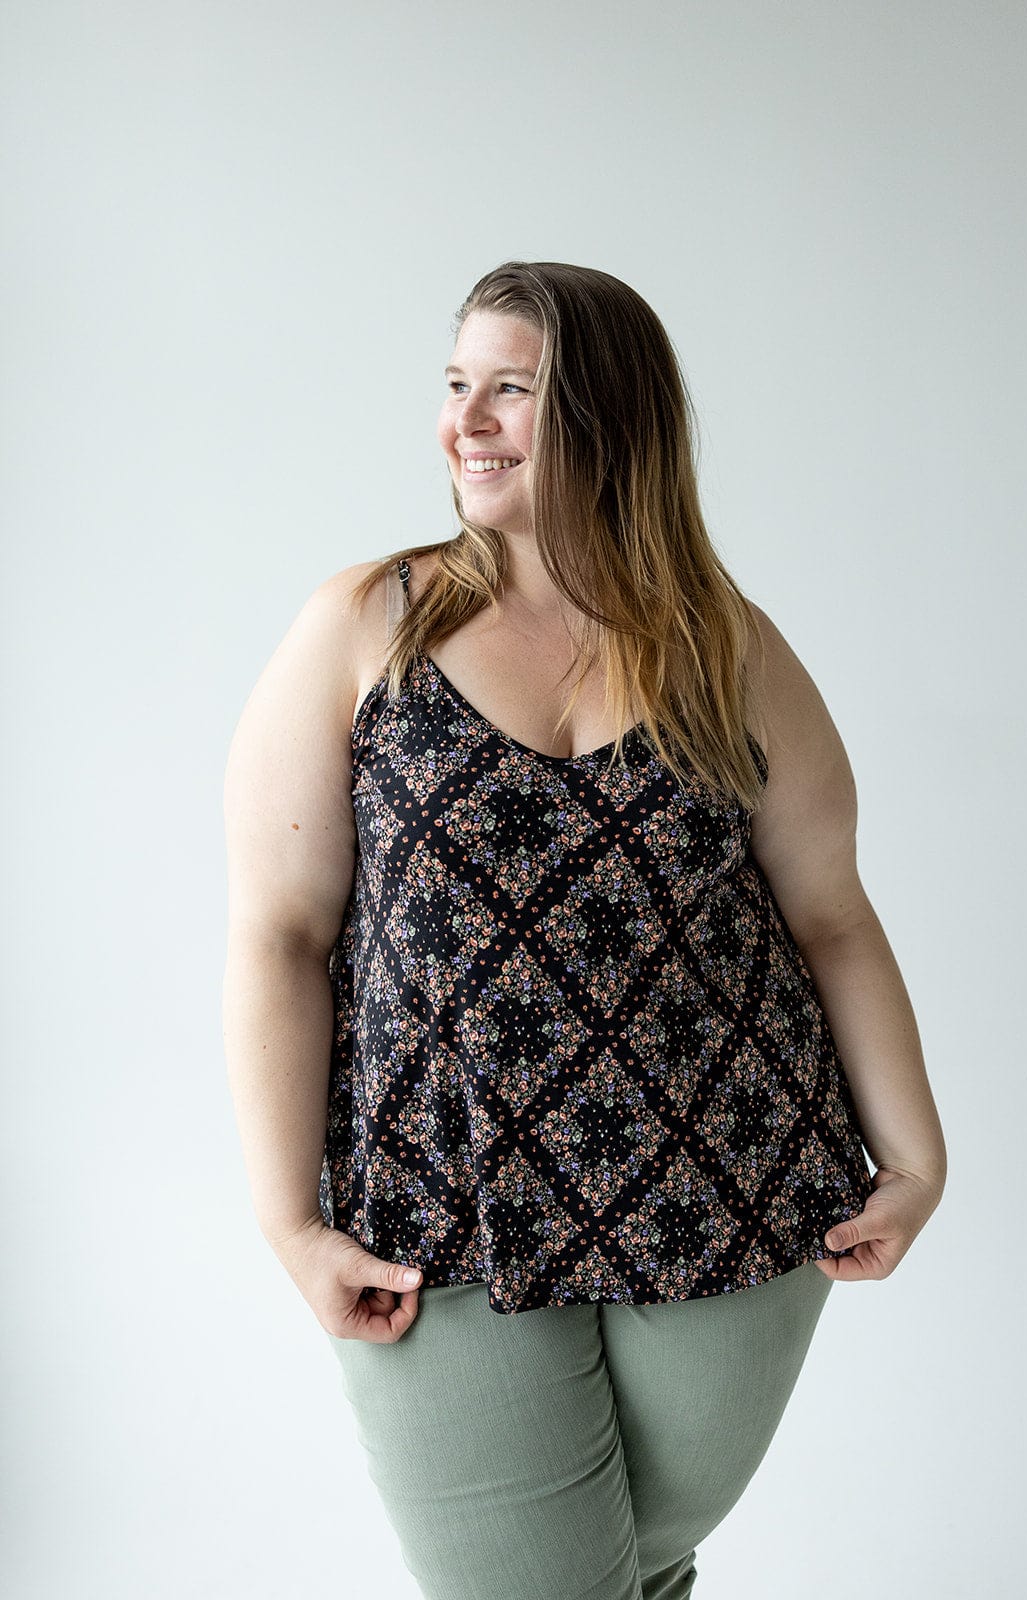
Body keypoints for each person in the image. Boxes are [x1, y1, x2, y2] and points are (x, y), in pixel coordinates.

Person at [222, 260, 947, 1600]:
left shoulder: (727, 648)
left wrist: (915, 1154)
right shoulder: (365, 624)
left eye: (512, 390)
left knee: (626, 1577)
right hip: (441, 1212)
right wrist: (285, 1217)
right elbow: (278, 935)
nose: (466, 421)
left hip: (734, 1202)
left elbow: (832, 916)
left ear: (612, 418)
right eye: (455, 387)